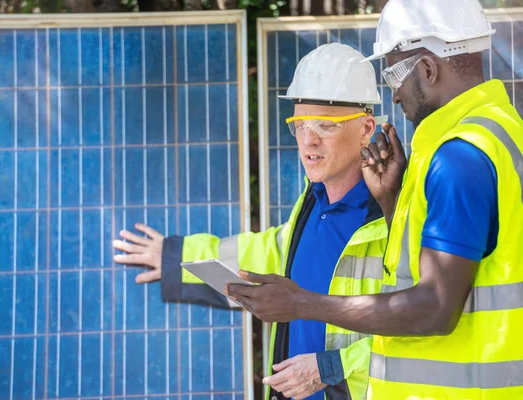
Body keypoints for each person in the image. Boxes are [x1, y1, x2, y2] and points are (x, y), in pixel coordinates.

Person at [226, 0, 523, 399]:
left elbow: (436, 306)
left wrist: (301, 303)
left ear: (428, 69)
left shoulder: (459, 157)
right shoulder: (502, 133)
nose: (394, 96)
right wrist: (390, 200)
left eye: (394, 75)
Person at [113, 43, 391, 400]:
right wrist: (175, 256)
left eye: (326, 126)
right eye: (300, 125)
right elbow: (269, 253)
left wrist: (334, 367)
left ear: (367, 127)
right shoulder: (312, 202)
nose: (309, 142)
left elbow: (425, 320)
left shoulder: (393, 213)